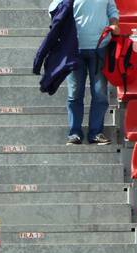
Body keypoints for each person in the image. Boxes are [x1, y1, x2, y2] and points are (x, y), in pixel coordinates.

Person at [52, 0, 118, 145]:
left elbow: (112, 10)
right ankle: (74, 133)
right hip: (74, 49)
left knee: (100, 94)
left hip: (101, 47)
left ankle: (95, 133)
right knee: (75, 94)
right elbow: (54, 10)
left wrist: (114, 24)